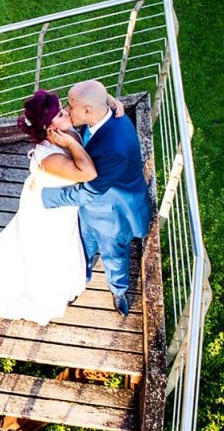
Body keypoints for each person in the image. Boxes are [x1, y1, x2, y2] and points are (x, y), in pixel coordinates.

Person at [0, 89, 97, 325]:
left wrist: (110, 102)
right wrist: (72, 144)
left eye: (64, 109)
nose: (68, 114)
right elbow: (89, 173)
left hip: (57, 203)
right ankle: (41, 296)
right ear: (50, 130)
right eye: (62, 113)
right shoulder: (49, 158)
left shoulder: (64, 132)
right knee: (47, 254)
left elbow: (90, 93)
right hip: (48, 214)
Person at [41, 80, 152, 316]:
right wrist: (110, 98)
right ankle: (80, 279)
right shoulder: (102, 113)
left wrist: (48, 197)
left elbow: (90, 190)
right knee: (83, 248)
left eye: (70, 106)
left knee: (114, 256)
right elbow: (95, 96)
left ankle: (119, 290)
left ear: (88, 110)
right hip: (87, 210)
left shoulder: (115, 147)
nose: (67, 110)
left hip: (111, 213)